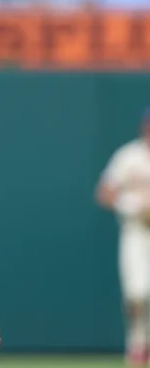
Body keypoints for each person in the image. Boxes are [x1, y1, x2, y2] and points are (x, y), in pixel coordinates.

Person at [97, 108, 150, 367]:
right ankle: (137, 344)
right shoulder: (129, 156)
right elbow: (104, 192)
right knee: (136, 294)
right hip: (136, 231)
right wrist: (129, 204)